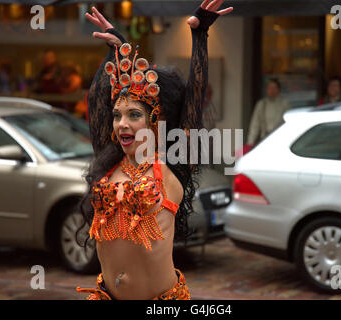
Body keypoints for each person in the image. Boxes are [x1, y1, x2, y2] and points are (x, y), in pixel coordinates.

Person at [75, 0, 233, 300]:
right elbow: (96, 102)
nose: (122, 124)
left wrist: (199, 38)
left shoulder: (170, 166)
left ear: (155, 122)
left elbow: (194, 105)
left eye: (134, 115)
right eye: (118, 115)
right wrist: (118, 49)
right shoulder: (108, 163)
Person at [246, 78, 291, 146]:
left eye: (274, 88)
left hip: (280, 140)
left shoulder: (285, 104)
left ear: (279, 90)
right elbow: (255, 124)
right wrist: (250, 142)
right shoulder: (261, 104)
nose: (272, 90)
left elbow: (289, 123)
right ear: (266, 90)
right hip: (264, 139)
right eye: (270, 88)